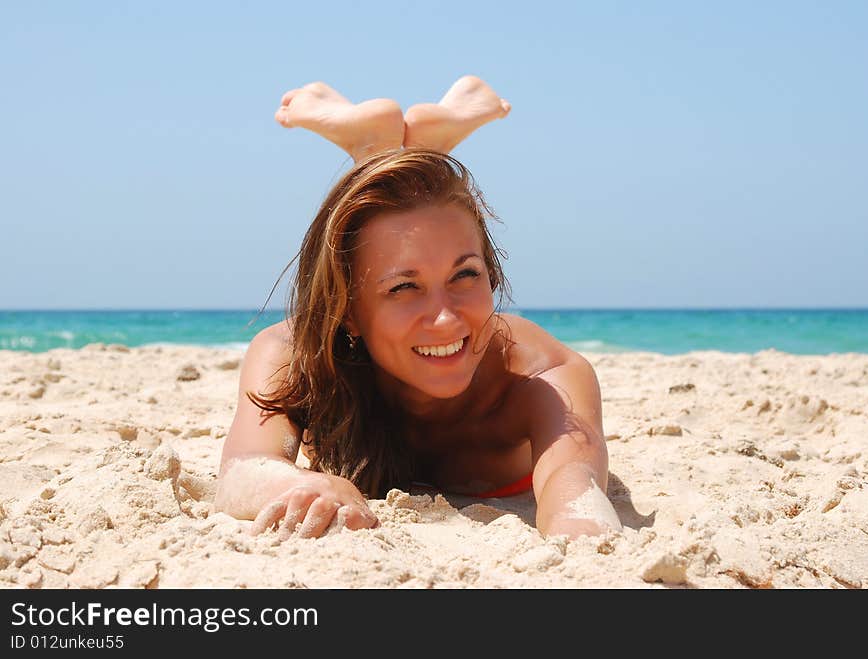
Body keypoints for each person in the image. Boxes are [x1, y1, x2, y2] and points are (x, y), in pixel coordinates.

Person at [213, 75, 623, 541]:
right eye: (404, 288)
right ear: (346, 308)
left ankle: (380, 144)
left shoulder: (543, 378)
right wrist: (307, 485)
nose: (446, 317)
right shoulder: (295, 354)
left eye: (465, 275)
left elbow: (576, 489)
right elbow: (243, 471)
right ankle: (396, 145)